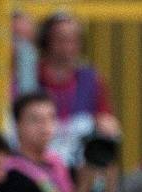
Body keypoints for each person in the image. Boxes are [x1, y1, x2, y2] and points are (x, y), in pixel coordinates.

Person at [36, 12, 120, 167]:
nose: (68, 47)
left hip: (79, 161)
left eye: (74, 41)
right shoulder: (29, 77)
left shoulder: (91, 79)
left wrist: (106, 124)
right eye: (61, 40)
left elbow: (105, 118)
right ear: (46, 42)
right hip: (39, 160)